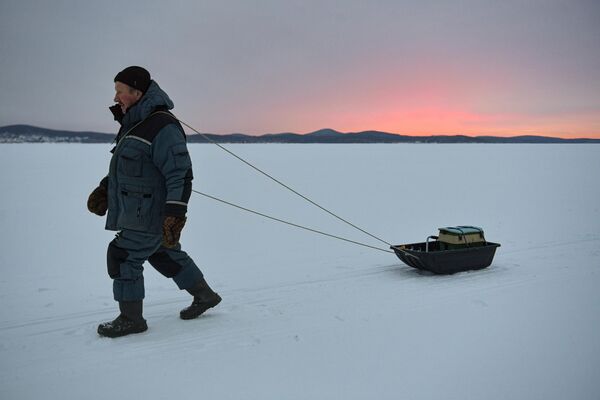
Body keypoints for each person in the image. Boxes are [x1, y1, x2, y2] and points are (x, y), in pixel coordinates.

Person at [87, 66, 221, 338]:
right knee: (162, 252)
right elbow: (128, 168)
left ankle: (131, 319)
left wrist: (175, 215)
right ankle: (205, 295)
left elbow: (180, 174)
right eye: (115, 91)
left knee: (123, 255)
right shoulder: (135, 121)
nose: (115, 97)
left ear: (137, 92)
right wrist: (105, 189)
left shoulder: (162, 126)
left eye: (120, 91)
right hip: (138, 208)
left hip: (148, 212)